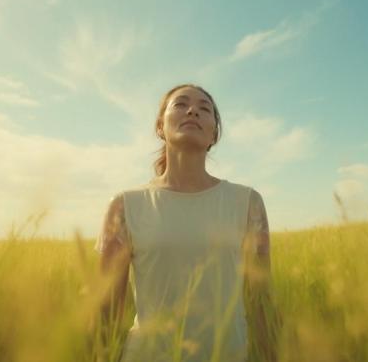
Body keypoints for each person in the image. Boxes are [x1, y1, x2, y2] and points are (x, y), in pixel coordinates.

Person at [94, 84, 280, 362]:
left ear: (214, 133)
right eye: (180, 104)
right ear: (160, 125)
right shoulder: (125, 205)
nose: (193, 110)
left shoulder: (248, 202)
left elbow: (262, 303)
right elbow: (107, 311)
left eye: (205, 108)